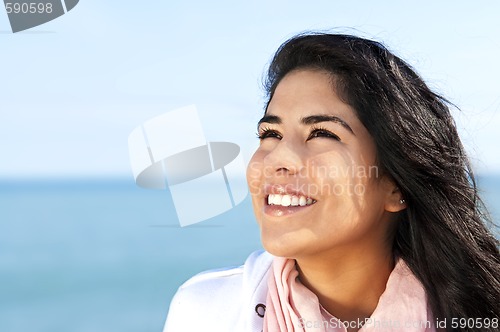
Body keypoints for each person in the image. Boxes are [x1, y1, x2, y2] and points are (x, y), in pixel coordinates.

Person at [163, 33, 500, 332]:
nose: (280, 158)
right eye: (271, 133)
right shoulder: (203, 312)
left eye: (322, 133)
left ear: (396, 185)